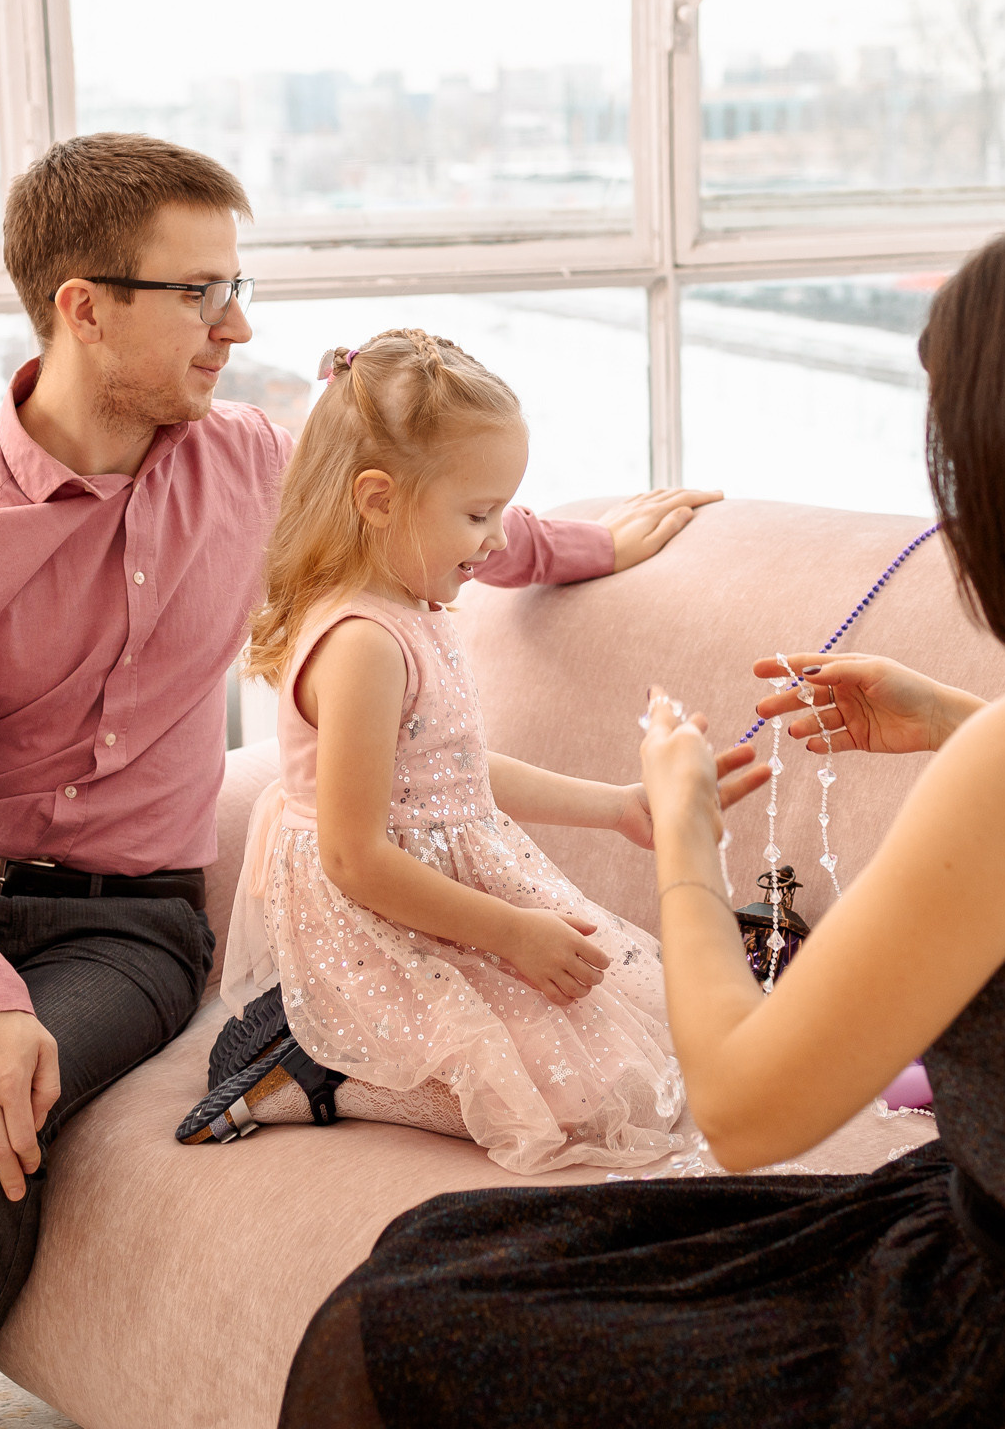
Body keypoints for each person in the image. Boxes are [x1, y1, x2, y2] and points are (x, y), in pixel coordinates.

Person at [280, 207, 1005, 1429]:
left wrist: (682, 835)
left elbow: (745, 1108)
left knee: (393, 1322)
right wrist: (960, 717)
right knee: (446, 1247)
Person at [0, 132, 719, 1429]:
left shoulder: (249, 466)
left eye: (234, 287)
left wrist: (596, 537)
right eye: (199, 293)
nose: (236, 326)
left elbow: (432, 515)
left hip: (122, 930)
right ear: (83, 308)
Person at [206, 328, 691, 1174]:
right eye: (476, 513)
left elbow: (455, 774)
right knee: (580, 1105)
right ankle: (315, 1069)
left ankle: (331, 1049)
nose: (500, 539)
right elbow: (355, 860)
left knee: (645, 1053)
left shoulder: (414, 610)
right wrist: (513, 935)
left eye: (501, 509)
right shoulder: (361, 642)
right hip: (375, 919)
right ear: (378, 499)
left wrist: (613, 807)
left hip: (441, 899)